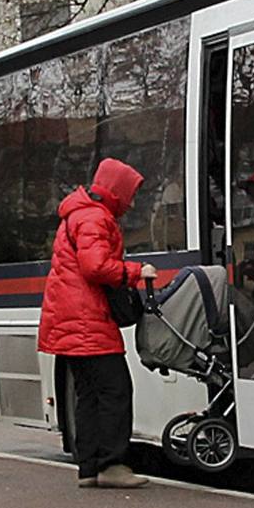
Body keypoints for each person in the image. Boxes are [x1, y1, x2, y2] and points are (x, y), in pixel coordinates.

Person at [39, 158, 155, 489]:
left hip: (70, 319)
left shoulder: (80, 212)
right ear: (116, 190)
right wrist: (136, 272)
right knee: (115, 391)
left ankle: (88, 468)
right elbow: (95, 266)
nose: (131, 203)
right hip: (87, 321)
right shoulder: (94, 217)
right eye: (129, 194)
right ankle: (112, 464)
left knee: (88, 395)